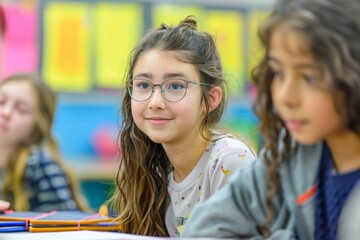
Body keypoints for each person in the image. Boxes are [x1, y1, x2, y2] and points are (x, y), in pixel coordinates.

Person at [182, 0, 360, 239]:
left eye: (309, 77)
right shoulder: (292, 153)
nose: (285, 97)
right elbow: (201, 230)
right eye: (279, 72)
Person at [106, 16, 256, 237]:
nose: (155, 102)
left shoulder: (230, 162)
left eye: (176, 86)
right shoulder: (154, 167)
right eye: (143, 85)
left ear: (210, 99)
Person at [0, 73, 89, 212]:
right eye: (1, 101)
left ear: (35, 128)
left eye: (21, 109)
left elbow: (61, 226)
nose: (5, 112)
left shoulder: (38, 164)